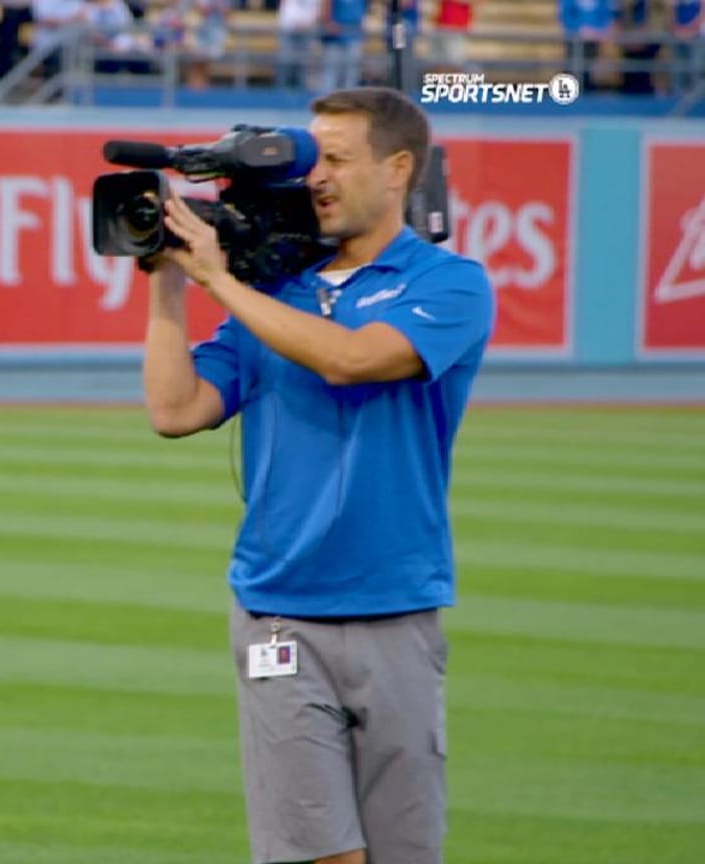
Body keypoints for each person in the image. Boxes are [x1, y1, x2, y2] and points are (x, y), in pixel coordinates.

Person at [140, 87, 494, 864]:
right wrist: (167, 280)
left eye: (336, 159)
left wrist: (221, 282)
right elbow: (176, 409)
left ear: (398, 168)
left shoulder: (451, 283)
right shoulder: (275, 293)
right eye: (312, 160)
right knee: (321, 857)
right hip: (279, 612)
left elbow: (351, 359)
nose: (317, 178)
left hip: (397, 607)